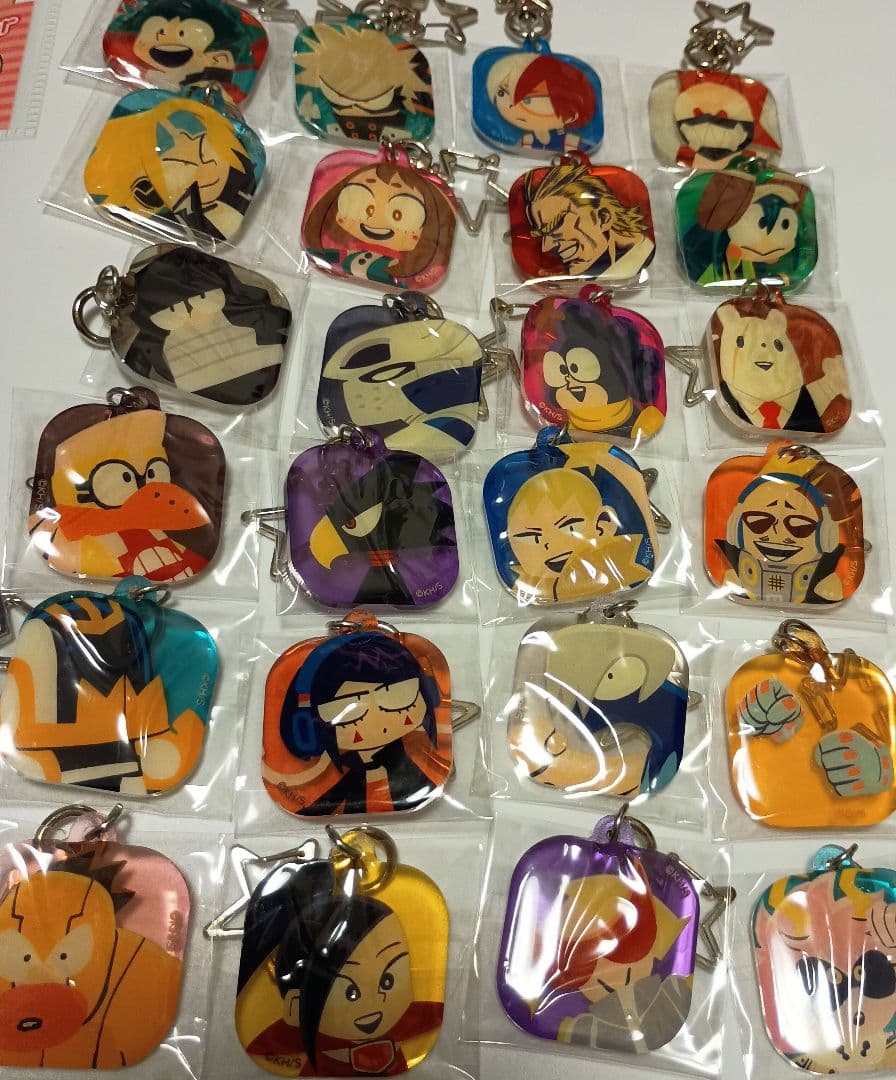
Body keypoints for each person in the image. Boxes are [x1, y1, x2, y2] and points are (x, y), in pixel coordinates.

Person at [264, 632, 451, 815]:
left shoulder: (421, 781)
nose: (380, 723)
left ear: (428, 693)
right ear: (306, 727)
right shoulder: (340, 790)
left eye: (398, 696)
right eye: (351, 711)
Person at [522, 163, 654, 280]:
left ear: (603, 218)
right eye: (543, 234)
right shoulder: (601, 269)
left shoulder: (637, 262)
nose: (545, 247)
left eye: (556, 225)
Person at [485, 51, 597, 153]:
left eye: (527, 100)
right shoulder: (526, 141)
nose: (511, 105)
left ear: (571, 116)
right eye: (501, 93)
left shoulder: (573, 143)